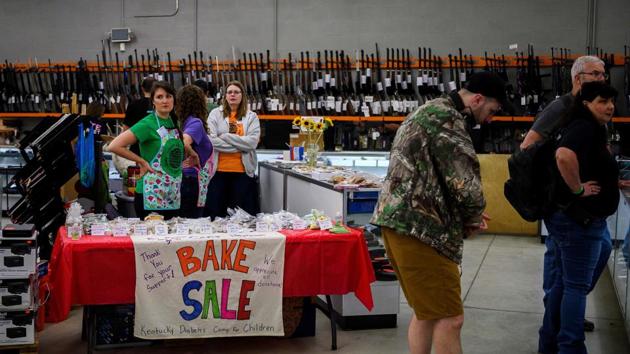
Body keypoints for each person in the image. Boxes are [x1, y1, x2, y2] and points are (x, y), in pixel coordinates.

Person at [371, 71, 506, 354]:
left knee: (428, 313)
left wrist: (462, 214)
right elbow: (465, 183)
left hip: (401, 225)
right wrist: (471, 215)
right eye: (492, 110)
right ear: (478, 99)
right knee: (450, 317)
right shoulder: (448, 120)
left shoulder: (431, 109)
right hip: (422, 231)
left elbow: (432, 177)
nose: (491, 118)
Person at [521, 56, 609, 333]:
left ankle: (563, 311)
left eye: (603, 73)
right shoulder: (561, 107)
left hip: (584, 205)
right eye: (595, 73)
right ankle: (558, 312)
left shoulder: (592, 107)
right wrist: (562, 182)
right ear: (577, 78)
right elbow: (528, 146)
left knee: (594, 253)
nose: (601, 78)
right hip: (565, 203)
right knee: (559, 260)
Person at [538, 81, 620, 354]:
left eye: (611, 101)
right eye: (602, 101)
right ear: (586, 103)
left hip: (572, 219)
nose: (609, 106)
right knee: (575, 287)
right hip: (579, 221)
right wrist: (577, 188)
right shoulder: (584, 127)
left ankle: (549, 342)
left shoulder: (584, 124)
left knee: (564, 283)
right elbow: (563, 156)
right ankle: (571, 347)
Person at [108, 81, 198, 220]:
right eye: (159, 97)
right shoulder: (147, 124)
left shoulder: (174, 122)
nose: (165, 101)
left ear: (174, 99)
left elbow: (174, 145)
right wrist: (141, 161)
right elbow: (114, 145)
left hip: (172, 194)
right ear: (153, 101)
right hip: (151, 196)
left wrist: (191, 152)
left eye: (168, 96)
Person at [204, 80, 260, 218]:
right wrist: (240, 146)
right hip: (219, 173)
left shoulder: (251, 116)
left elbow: (252, 143)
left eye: (236, 92)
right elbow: (211, 140)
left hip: (243, 173)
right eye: (229, 92)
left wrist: (226, 137)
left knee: (242, 218)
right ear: (225, 96)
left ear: (242, 95)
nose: (232, 95)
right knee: (217, 216)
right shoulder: (215, 114)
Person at [175, 85, 214, 218]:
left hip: (186, 179)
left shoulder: (185, 123)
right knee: (192, 222)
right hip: (191, 181)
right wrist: (193, 153)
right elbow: (184, 142)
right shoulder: (195, 123)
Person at [123, 77, 155, 156]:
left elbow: (126, 128)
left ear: (142, 88)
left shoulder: (133, 104)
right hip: (156, 146)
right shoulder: (160, 105)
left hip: (136, 148)